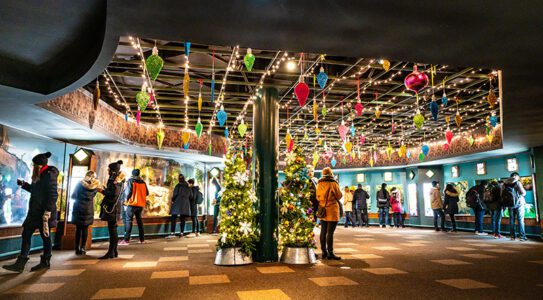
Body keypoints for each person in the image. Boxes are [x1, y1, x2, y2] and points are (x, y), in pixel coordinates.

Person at [2, 152, 59, 273]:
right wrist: (24, 185)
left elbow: (53, 195)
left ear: (39, 166)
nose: (32, 167)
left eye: (34, 165)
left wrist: (47, 212)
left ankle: (45, 262)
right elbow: (36, 191)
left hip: (44, 214)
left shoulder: (49, 175)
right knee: (26, 234)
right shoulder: (40, 174)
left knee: (45, 237)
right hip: (34, 213)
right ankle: (20, 263)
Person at [98, 160, 125, 259]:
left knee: (112, 230)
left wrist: (102, 191)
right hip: (115, 208)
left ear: (112, 170)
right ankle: (114, 251)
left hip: (112, 208)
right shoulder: (119, 179)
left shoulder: (114, 179)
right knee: (113, 229)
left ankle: (111, 252)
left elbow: (113, 194)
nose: (107, 170)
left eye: (109, 169)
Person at [71, 171, 101, 255]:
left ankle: (77, 248)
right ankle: (83, 248)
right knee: (85, 228)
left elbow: (73, 195)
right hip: (88, 208)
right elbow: (93, 195)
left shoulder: (79, 184)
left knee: (78, 229)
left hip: (78, 207)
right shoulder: (94, 186)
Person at [316, 167, 342, 260]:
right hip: (332, 209)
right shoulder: (333, 183)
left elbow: (317, 197)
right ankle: (330, 252)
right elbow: (339, 196)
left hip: (322, 209)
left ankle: (324, 252)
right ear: (331, 173)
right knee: (330, 233)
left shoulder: (319, 183)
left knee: (323, 231)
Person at [120, 169, 148, 245]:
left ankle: (126, 240)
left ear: (132, 174)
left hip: (132, 204)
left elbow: (128, 192)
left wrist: (125, 201)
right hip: (140, 204)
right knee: (139, 221)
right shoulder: (143, 182)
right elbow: (147, 193)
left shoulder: (131, 181)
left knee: (129, 221)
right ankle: (142, 239)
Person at [502, 172, 527, 241]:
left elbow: (501, 194)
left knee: (511, 220)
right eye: (518, 177)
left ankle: (513, 236)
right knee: (520, 220)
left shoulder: (504, 183)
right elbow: (523, 193)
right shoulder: (517, 182)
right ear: (515, 176)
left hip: (510, 205)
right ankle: (522, 236)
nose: (518, 178)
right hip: (519, 204)